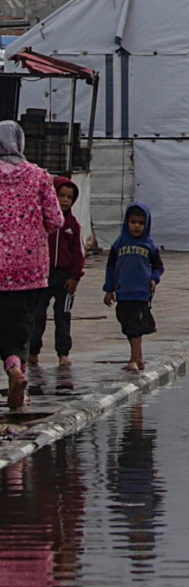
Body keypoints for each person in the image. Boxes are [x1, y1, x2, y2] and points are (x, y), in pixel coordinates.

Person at [0, 121, 61, 412]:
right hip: (31, 266)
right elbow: (56, 220)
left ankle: (12, 368)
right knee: (24, 321)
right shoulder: (39, 176)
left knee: (2, 322)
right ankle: (18, 375)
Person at [29, 176, 84, 372]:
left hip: (65, 277)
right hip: (43, 275)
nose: (65, 200)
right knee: (37, 316)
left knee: (63, 316)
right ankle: (33, 352)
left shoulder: (73, 225)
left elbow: (78, 251)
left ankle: (63, 353)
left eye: (69, 197)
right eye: (61, 195)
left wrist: (75, 276)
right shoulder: (43, 220)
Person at [103, 202, 162, 375]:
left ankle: (133, 360)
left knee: (135, 326)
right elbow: (111, 267)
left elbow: (158, 267)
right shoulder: (119, 244)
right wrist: (109, 289)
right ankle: (139, 358)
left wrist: (154, 279)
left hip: (140, 292)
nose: (137, 226)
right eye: (133, 222)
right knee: (126, 323)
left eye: (141, 223)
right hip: (122, 291)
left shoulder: (149, 246)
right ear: (127, 222)